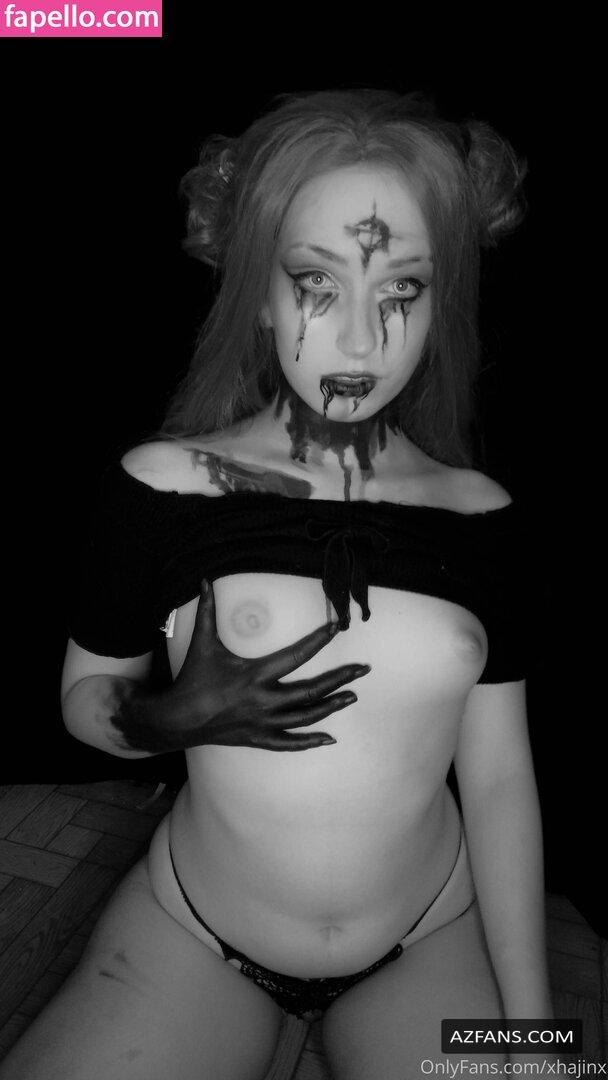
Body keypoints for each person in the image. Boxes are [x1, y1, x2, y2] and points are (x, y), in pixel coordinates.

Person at [1, 88, 555, 1080]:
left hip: (429, 934)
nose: (360, 341)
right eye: (315, 282)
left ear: (442, 302)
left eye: (401, 289)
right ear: (258, 292)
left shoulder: (481, 514)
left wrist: (532, 1035)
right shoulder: (164, 486)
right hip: (193, 934)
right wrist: (162, 717)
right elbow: (83, 693)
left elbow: (500, 778)